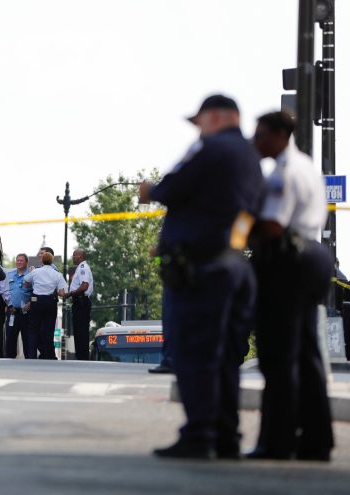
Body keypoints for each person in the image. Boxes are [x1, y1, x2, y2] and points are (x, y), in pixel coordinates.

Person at [139, 94, 262, 459]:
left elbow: (172, 188)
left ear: (216, 117)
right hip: (233, 262)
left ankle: (199, 434)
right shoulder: (251, 157)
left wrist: (150, 191)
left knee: (195, 355)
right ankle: (226, 434)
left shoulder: (210, 149)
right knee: (224, 358)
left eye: (200, 121)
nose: (198, 129)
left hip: (202, 268)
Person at [248, 111, 334, 461]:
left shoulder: (283, 173)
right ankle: (316, 440)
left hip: (288, 260)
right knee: (306, 354)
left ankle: (277, 441)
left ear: (281, 134)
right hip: (313, 256)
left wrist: (237, 236)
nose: (256, 141)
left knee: (278, 356)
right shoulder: (307, 167)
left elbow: (272, 225)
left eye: (261, 134)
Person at [24, 252, 67, 360]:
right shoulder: (57, 274)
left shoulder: (36, 272)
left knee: (33, 330)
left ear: (42, 261)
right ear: (52, 261)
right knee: (48, 330)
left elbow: (26, 282)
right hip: (50, 302)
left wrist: (31, 284)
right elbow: (62, 293)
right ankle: (48, 355)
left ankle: (31, 355)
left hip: (36, 301)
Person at [64, 249, 94, 360]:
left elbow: (84, 285)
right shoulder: (81, 268)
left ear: (80, 256)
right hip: (79, 302)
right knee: (79, 330)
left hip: (81, 302)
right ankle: (81, 355)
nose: (72, 257)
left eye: (74, 255)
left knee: (81, 331)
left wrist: (71, 293)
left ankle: (82, 356)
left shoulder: (83, 268)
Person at [3, 254, 33, 358]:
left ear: (26, 263)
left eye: (21, 261)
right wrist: (8, 305)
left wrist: (31, 303)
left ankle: (29, 362)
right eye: (17, 260)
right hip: (12, 312)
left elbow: (36, 293)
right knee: (10, 338)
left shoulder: (31, 275)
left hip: (26, 314)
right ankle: (9, 361)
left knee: (28, 340)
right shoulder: (9, 274)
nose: (19, 262)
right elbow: (4, 290)